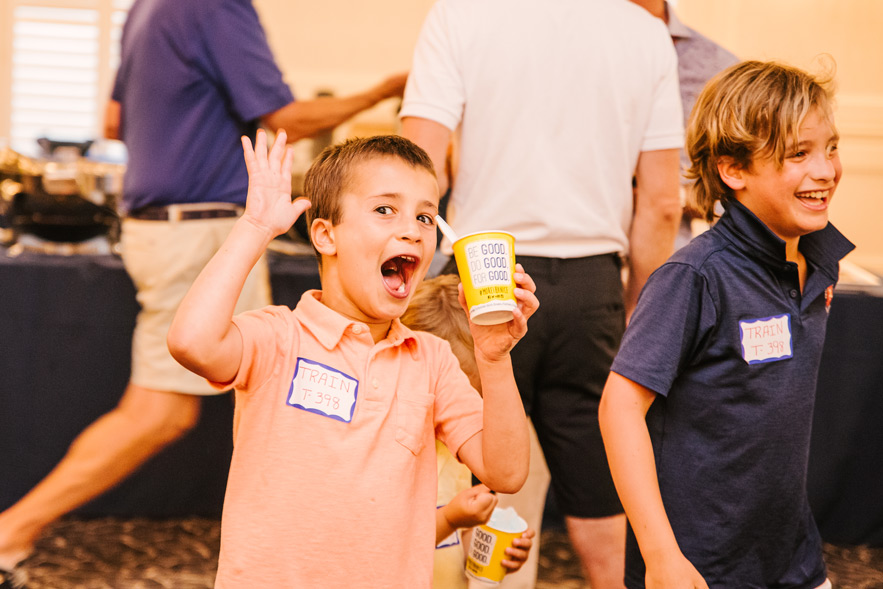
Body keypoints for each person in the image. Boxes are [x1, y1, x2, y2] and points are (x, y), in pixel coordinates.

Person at [0, 1, 405, 584]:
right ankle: (13, 531)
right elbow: (287, 118)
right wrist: (383, 90)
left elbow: (114, 122)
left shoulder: (146, 7)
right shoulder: (215, 3)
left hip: (158, 230)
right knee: (164, 411)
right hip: (198, 233)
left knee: (253, 395)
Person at [166, 130, 539, 586]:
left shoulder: (432, 361)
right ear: (326, 235)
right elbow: (192, 343)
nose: (412, 230)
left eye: (426, 217)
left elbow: (506, 471)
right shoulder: (279, 338)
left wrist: (494, 358)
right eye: (385, 209)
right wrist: (255, 228)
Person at [399, 1, 684, 585]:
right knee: (601, 502)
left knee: (457, 480)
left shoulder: (460, 14)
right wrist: (636, 308)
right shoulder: (645, 32)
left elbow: (417, 170)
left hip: (481, 278)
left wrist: (403, 286)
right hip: (593, 288)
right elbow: (661, 203)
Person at [598, 60, 853, 588]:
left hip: (791, 557)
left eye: (830, 148)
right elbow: (619, 408)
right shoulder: (695, 277)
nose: (826, 170)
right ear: (734, 170)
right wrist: (661, 556)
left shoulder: (818, 261)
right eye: (798, 154)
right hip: (697, 569)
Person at [401, 273, 536, 587]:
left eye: (471, 397)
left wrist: (486, 546)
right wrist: (450, 518)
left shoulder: (461, 450)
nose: (454, 413)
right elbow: (388, 542)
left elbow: (452, 544)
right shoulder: (396, 449)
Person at [629, 0, 739, 249]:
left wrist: (671, 195)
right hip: (583, 252)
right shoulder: (573, 50)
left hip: (670, 255)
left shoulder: (718, 67)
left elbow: (742, 195)